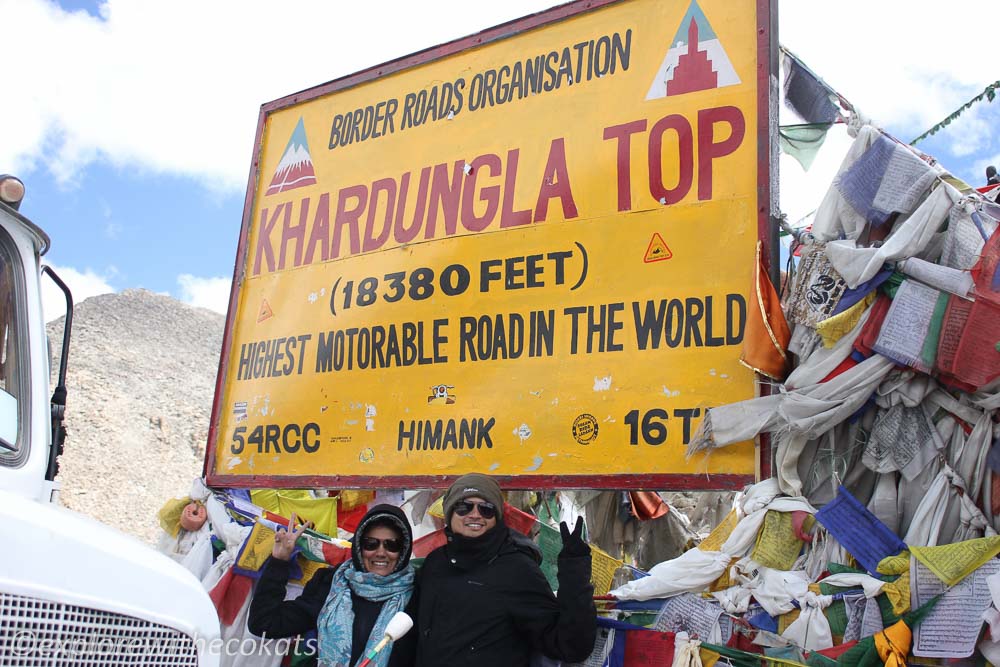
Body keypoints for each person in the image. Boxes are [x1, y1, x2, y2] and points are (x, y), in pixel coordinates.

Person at [414, 473, 597, 667]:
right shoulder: (435, 563)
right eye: (463, 507)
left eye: (486, 509)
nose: (475, 514)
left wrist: (575, 571)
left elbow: (570, 645)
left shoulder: (518, 569)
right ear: (450, 513)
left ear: (497, 517)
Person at [248, 504, 418, 667]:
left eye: (392, 545)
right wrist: (279, 562)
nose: (381, 553)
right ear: (359, 546)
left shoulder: (418, 595)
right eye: (371, 544)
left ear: (403, 550)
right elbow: (265, 623)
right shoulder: (331, 586)